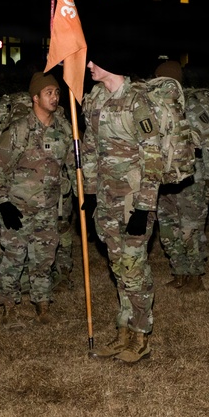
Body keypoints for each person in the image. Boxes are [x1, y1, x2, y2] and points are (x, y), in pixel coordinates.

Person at [81, 57, 163, 364]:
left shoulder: (137, 101)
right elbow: (89, 147)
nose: (88, 64)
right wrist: (89, 193)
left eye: (94, 60)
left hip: (133, 200)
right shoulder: (95, 99)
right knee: (118, 267)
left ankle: (141, 336)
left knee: (134, 268)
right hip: (105, 198)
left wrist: (144, 206)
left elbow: (153, 157)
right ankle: (124, 331)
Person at [0, 72, 75, 327]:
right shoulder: (19, 130)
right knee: (13, 257)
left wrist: (82, 194)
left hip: (48, 209)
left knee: (44, 259)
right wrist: (3, 203)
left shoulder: (63, 130)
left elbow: (72, 166)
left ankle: (43, 305)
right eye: (49, 92)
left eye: (57, 92)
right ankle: (9, 308)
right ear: (35, 98)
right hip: (18, 207)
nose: (55, 97)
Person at [154, 60, 209, 292]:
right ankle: (179, 272)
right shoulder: (154, 106)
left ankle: (195, 276)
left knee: (190, 229)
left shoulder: (194, 106)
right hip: (164, 180)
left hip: (192, 179)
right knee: (168, 229)